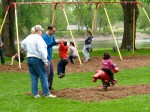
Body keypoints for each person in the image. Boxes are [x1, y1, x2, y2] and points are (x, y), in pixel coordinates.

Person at [21, 25, 56, 98]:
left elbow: (22, 45)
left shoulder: (29, 37)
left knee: (33, 76)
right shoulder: (39, 38)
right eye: (41, 30)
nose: (42, 32)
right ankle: (47, 93)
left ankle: (35, 94)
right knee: (43, 75)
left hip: (29, 58)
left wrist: (28, 49)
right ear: (38, 31)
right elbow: (41, 50)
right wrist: (45, 61)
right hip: (37, 59)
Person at [42, 25, 60, 90]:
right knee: (47, 73)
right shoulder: (43, 37)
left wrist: (60, 43)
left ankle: (49, 86)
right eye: (53, 31)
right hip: (45, 57)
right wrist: (54, 42)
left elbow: (54, 42)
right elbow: (46, 46)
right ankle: (46, 87)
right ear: (49, 30)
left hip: (50, 57)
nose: (54, 32)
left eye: (54, 31)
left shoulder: (52, 36)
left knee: (51, 73)